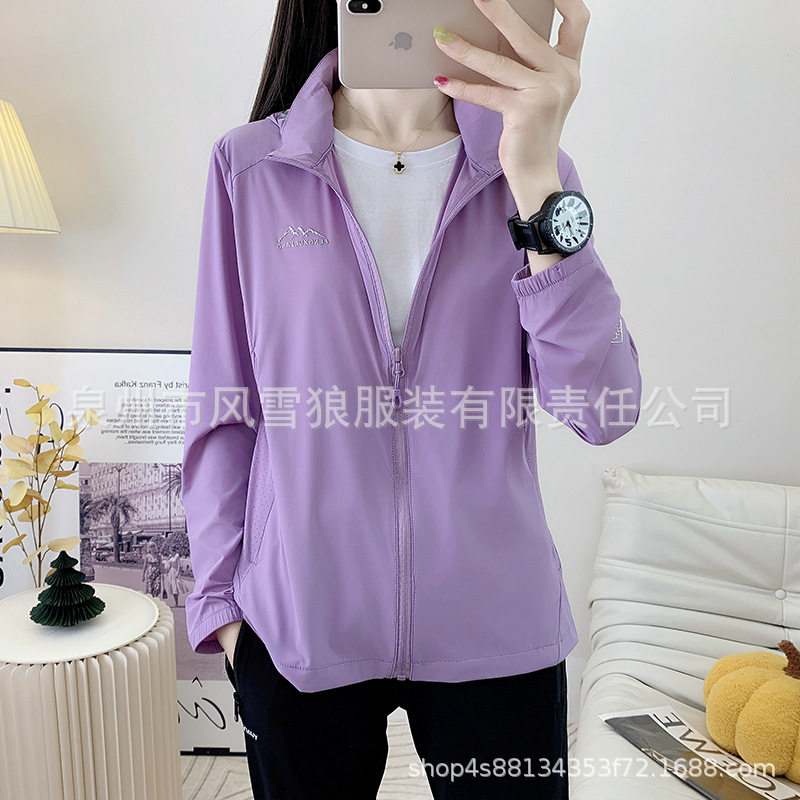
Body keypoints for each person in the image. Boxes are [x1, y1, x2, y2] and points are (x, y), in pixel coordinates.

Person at [181, 0, 641, 797]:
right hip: (299, 624)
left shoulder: (531, 172)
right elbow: (224, 406)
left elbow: (603, 409)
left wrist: (535, 174)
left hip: (497, 626)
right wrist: (223, 608)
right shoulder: (251, 169)